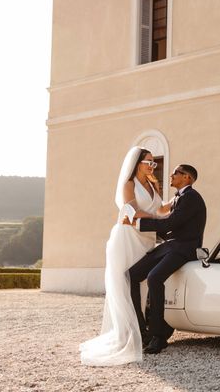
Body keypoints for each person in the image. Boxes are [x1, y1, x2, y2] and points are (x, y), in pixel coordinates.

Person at [79, 146, 171, 366]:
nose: (152, 165)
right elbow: (132, 211)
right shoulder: (129, 184)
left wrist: (177, 204)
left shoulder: (151, 184)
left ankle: (142, 329)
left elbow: (159, 210)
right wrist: (160, 222)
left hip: (146, 238)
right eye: (148, 161)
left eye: (153, 162)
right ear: (137, 163)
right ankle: (128, 332)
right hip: (128, 237)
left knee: (143, 285)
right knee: (126, 282)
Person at [129, 164, 206, 354]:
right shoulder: (180, 197)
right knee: (132, 274)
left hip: (185, 248)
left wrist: (138, 222)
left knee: (154, 277)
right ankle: (142, 329)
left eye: (176, 173)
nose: (171, 175)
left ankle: (158, 336)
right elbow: (166, 222)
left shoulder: (192, 197)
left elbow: (171, 223)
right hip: (170, 246)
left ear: (187, 177)